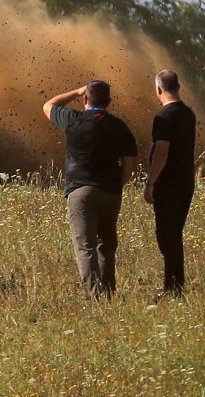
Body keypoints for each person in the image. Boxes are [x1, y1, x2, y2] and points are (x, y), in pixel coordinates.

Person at [43, 81, 138, 298]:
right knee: (107, 244)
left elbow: (49, 105)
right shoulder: (119, 126)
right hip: (110, 192)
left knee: (85, 246)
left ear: (85, 99)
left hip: (80, 192)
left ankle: (95, 297)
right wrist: (118, 184)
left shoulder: (73, 120)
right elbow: (130, 160)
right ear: (109, 102)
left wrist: (77, 91)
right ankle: (108, 293)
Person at [143, 70, 197, 299]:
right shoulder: (188, 113)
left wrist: (151, 182)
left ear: (158, 89)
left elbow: (162, 151)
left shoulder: (163, 117)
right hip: (185, 181)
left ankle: (173, 287)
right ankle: (174, 284)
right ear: (178, 86)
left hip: (168, 183)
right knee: (173, 234)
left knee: (167, 235)